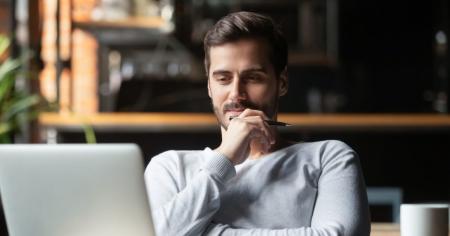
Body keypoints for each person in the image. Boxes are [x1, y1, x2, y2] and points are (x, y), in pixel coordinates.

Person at [145, 11, 370, 236]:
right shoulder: (170, 167)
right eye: (223, 78)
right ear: (209, 87)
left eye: (253, 78)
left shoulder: (329, 157)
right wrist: (224, 159)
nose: (236, 94)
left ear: (281, 83)